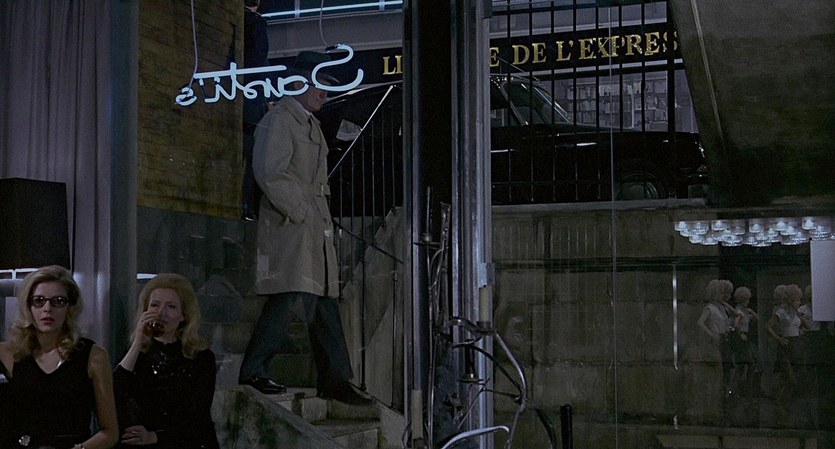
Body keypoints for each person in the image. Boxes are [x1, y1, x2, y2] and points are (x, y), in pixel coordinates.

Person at [238, 50, 372, 406]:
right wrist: (299, 209)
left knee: (322, 300)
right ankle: (255, 369)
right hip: (294, 225)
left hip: (309, 224)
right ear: (299, 83)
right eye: (320, 84)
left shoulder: (304, 122)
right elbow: (269, 171)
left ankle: (335, 378)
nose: (325, 93)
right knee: (289, 296)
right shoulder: (281, 120)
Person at [0, 265, 119, 449]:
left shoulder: (93, 356)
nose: (47, 308)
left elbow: (110, 432)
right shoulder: (9, 353)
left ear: (69, 307)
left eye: (58, 301)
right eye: (39, 301)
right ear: (28, 306)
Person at [112, 273, 220, 449]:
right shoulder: (135, 354)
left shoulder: (201, 358)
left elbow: (198, 417)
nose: (161, 313)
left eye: (171, 306)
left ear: (183, 315)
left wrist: (154, 437)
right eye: (154, 305)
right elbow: (113, 394)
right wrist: (138, 343)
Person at [241, 0, 270, 221]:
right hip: (251, 98)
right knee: (254, 155)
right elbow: (259, 61)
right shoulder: (256, 23)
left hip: (231, 93)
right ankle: (247, 205)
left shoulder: (239, 21)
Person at [696, 279, 738, 396]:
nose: (724, 296)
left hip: (724, 338)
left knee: (727, 367)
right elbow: (700, 322)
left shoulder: (722, 308)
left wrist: (724, 303)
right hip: (716, 340)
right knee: (718, 368)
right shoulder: (710, 308)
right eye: (721, 293)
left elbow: (735, 314)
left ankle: (725, 391)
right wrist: (711, 334)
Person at [765, 284, 808, 395]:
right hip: (786, 344)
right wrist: (778, 339)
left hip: (796, 344)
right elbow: (767, 326)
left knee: (795, 375)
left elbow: (807, 325)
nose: (799, 302)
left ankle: (785, 399)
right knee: (789, 375)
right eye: (797, 300)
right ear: (791, 300)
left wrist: (801, 327)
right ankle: (779, 398)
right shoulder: (782, 311)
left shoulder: (796, 313)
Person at [729, 286, 758, 395]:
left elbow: (757, 318)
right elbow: (736, 324)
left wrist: (751, 312)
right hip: (741, 338)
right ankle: (741, 388)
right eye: (746, 300)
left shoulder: (745, 311)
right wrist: (740, 334)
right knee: (750, 363)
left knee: (742, 366)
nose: (748, 302)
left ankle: (737, 389)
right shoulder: (739, 311)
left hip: (746, 337)